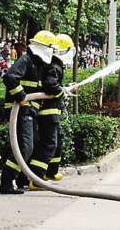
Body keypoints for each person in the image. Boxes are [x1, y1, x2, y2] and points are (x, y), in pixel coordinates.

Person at [0, 30, 57, 194]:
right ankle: (6, 182)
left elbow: (33, 87)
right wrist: (22, 96)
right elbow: (9, 77)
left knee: (31, 146)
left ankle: (21, 179)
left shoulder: (37, 64)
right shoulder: (26, 60)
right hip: (20, 111)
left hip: (29, 111)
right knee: (25, 147)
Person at [27, 34, 77, 190]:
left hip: (53, 112)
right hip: (48, 113)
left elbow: (54, 84)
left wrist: (66, 86)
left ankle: (50, 172)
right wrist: (61, 92)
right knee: (49, 144)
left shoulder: (54, 65)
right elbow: (50, 84)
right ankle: (36, 178)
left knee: (58, 141)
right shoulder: (54, 66)